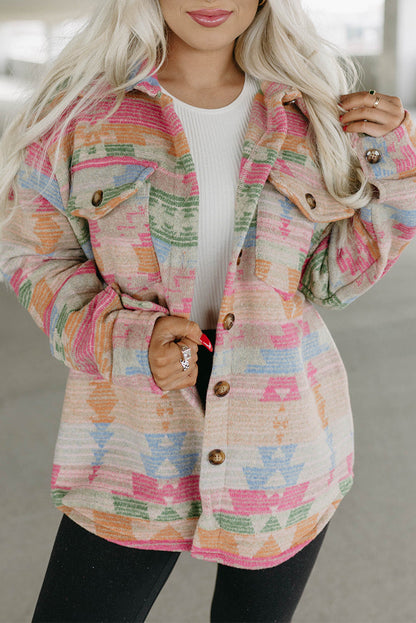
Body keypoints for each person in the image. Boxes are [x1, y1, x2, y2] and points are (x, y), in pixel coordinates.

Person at [0, 0, 415, 621]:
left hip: (283, 439)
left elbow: (332, 281)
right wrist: (124, 337)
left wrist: (396, 166)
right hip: (131, 440)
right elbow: (34, 256)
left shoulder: (308, 118)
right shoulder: (84, 116)